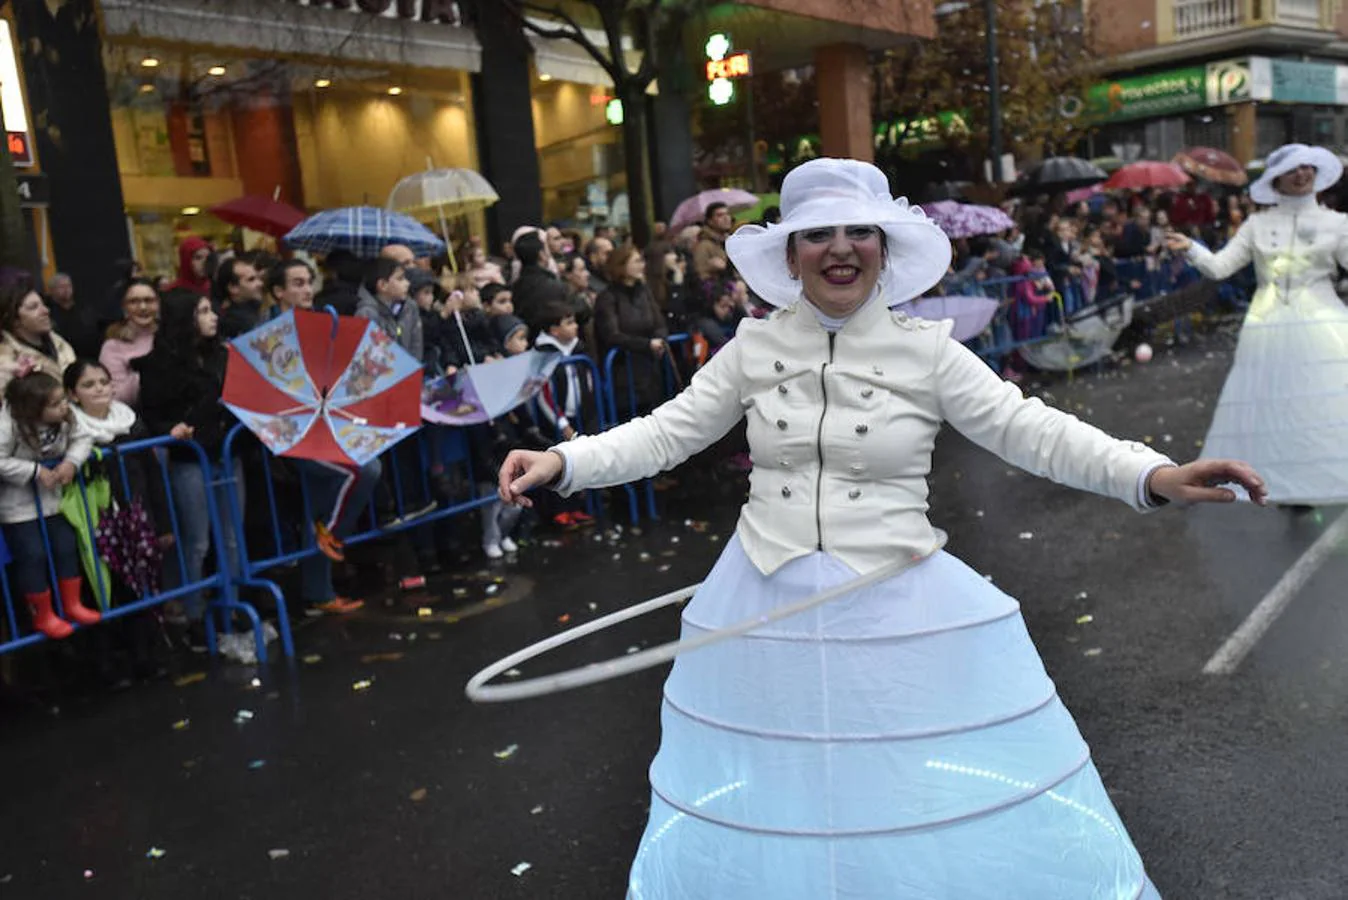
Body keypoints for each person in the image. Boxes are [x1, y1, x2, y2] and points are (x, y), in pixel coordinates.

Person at [498, 158, 1266, 899]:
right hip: (764, 601)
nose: (840, 249)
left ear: (885, 247)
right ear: (791, 254)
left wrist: (1152, 474)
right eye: (818, 234)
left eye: (858, 232)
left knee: (895, 782)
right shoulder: (754, 347)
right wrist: (565, 460)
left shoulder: (928, 350)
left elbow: (1030, 430)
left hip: (895, 600)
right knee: (790, 787)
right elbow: (666, 432)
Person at [1166, 143, 1348, 506]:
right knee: (1275, 403)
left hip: (1323, 323)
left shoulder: (1337, 223)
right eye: (1294, 169)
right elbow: (1219, 267)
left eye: (1307, 167)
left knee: (1325, 402)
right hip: (1268, 326)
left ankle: (1321, 476)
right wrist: (1190, 247)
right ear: (1276, 179)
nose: (1302, 174)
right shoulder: (1257, 224)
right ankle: (1278, 479)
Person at [135, 290, 240, 626]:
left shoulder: (222, 354)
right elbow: (152, 413)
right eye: (204, 311)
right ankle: (193, 612)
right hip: (189, 457)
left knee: (232, 537)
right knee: (197, 540)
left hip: (227, 450)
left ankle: (231, 605)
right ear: (186, 319)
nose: (214, 318)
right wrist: (172, 429)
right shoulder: (160, 363)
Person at [0, 366, 98, 639]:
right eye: (55, 404)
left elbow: (84, 437)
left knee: (66, 546)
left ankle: (72, 604)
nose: (63, 407)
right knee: (33, 555)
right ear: (32, 408)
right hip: (17, 507)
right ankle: (42, 615)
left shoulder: (67, 416)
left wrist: (71, 462)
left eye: (62, 401)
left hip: (54, 500)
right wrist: (33, 471)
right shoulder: (8, 423)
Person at [593, 244, 669, 417]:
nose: (642, 265)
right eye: (636, 261)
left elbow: (660, 323)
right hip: (623, 376)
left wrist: (659, 340)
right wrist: (646, 344)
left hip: (650, 370)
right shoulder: (607, 297)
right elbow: (611, 335)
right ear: (621, 265)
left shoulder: (643, 291)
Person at [0, 279, 77, 395]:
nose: (46, 310)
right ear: (14, 320)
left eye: (43, 304)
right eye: (33, 307)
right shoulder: (6, 358)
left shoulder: (58, 342)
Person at [99, 277, 159, 406]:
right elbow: (116, 397)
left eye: (149, 300)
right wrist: (148, 370)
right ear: (124, 307)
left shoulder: (170, 335)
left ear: (158, 304)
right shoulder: (113, 346)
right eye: (134, 302)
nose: (143, 307)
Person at [45, 273, 100, 360]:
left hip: (93, 355)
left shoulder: (83, 307)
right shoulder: (47, 312)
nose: (66, 289)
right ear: (52, 290)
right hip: (67, 358)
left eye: (68, 285)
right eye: (61, 287)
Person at [214, 257, 265, 339]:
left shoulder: (256, 305)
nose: (260, 283)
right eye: (251, 279)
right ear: (233, 287)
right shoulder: (234, 323)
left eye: (258, 278)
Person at [692, 201, 733, 282]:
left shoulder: (731, 241)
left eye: (727, 214)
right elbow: (700, 275)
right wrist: (710, 267)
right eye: (720, 215)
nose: (726, 218)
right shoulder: (704, 245)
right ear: (710, 221)